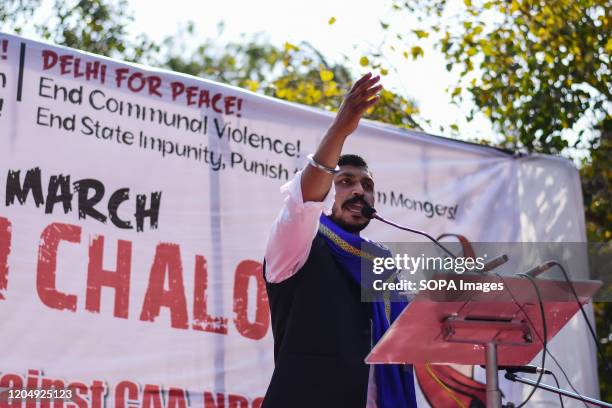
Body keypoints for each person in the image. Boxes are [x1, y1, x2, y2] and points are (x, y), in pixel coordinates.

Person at [262, 72, 417, 408]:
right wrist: (340, 130)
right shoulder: (298, 245)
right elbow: (304, 201)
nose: (360, 190)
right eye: (346, 181)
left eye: (367, 185)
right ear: (327, 193)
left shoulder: (383, 267)